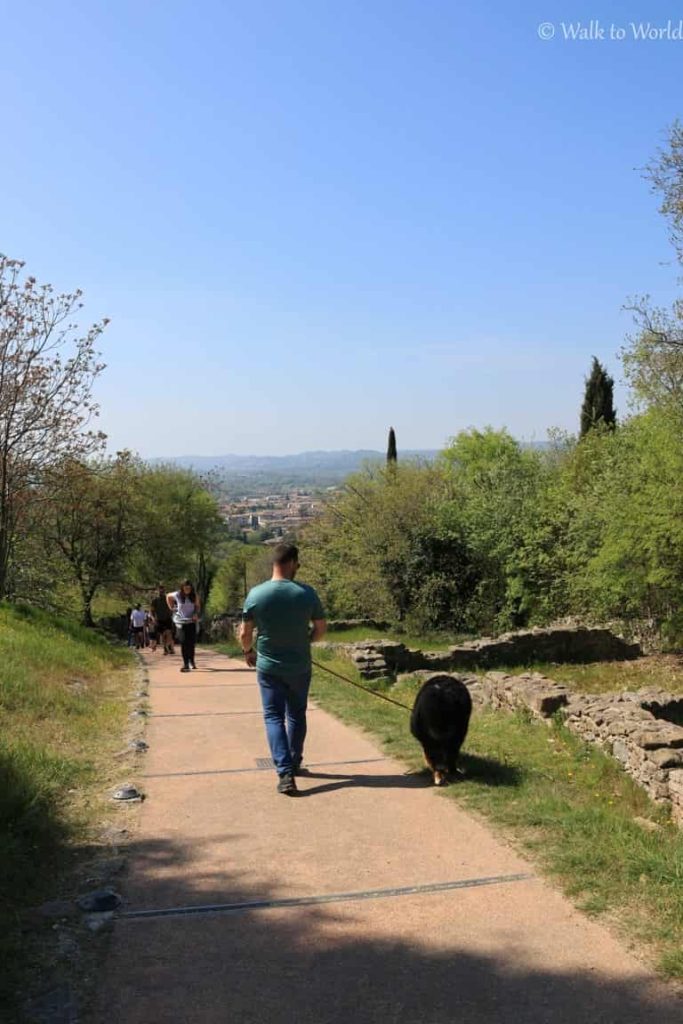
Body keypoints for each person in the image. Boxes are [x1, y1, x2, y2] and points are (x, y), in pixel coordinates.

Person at [240, 542, 327, 796]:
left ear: (274, 564)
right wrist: (306, 640)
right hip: (299, 665)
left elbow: (245, 633)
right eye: (298, 565)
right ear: (291, 563)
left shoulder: (256, 594)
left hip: (268, 667)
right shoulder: (306, 594)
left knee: (273, 716)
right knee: (296, 714)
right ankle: (295, 759)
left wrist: (248, 652)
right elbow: (320, 629)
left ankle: (284, 772)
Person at [167, 580, 200, 672]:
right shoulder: (177, 595)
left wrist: (195, 614)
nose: (187, 590)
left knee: (191, 643)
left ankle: (192, 661)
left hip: (191, 621)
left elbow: (197, 606)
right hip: (181, 622)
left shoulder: (194, 595)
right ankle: (185, 663)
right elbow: (168, 596)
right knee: (184, 642)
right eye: (185, 588)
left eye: (189, 588)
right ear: (182, 588)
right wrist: (172, 608)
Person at [151, 584, 175, 655]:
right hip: (159, 619)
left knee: (168, 633)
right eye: (160, 590)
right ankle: (165, 648)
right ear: (157, 591)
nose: (161, 591)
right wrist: (153, 618)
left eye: (162, 590)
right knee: (162, 635)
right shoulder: (155, 600)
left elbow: (172, 607)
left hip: (167, 618)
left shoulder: (168, 598)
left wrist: (172, 613)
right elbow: (152, 610)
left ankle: (169, 646)